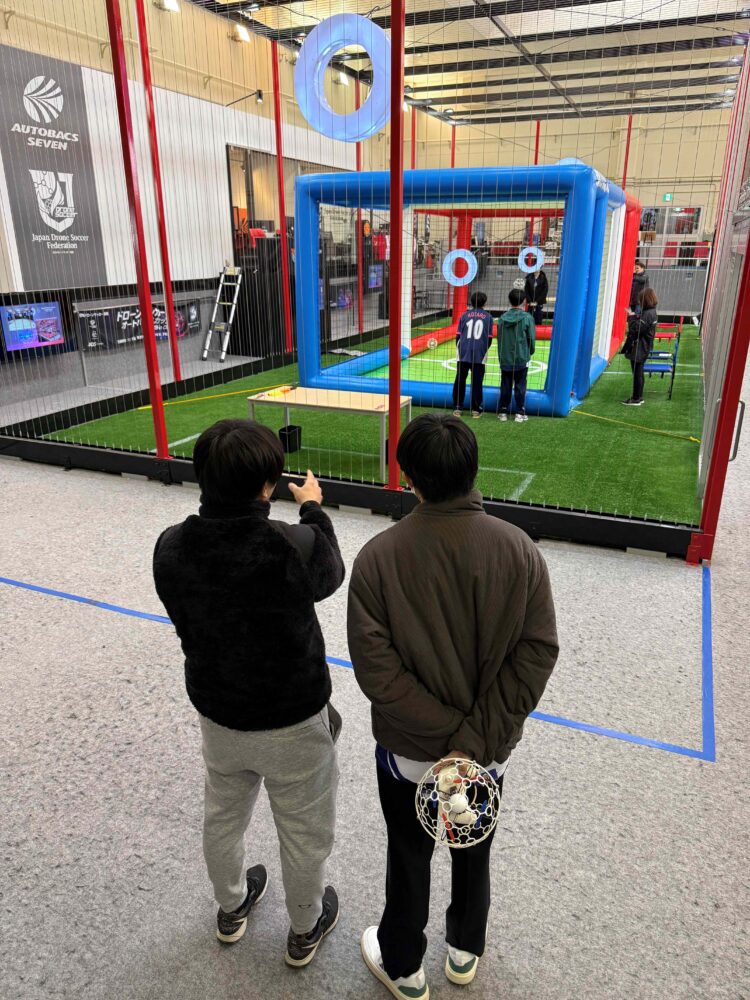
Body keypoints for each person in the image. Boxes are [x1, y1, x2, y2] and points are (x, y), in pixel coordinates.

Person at [347, 414, 558, 999]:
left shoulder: (377, 558)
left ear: (407, 476)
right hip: (486, 755)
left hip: (410, 755)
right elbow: (538, 652)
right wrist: (471, 741)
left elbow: (378, 673)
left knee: (408, 855)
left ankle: (404, 968)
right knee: (474, 849)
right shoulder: (520, 551)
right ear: (474, 470)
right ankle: (464, 951)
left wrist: (447, 737)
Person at [152, 419, 345, 966]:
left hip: (219, 715)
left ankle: (231, 906)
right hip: (294, 721)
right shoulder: (294, 543)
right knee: (304, 832)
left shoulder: (169, 547)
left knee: (223, 817)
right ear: (267, 486)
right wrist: (313, 507)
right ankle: (304, 927)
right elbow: (332, 571)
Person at [452, 290, 494, 419]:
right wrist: (483, 350)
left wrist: (461, 349)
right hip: (479, 354)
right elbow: (489, 338)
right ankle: (475, 409)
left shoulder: (464, 315)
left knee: (460, 379)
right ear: (484, 303)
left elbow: (458, 336)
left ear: (471, 302)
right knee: (477, 381)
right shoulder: (488, 317)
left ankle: (458, 407)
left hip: (463, 352)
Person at [496, 287, 536, 422]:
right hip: (521, 357)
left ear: (509, 300)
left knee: (505, 385)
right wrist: (529, 352)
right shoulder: (527, 318)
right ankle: (519, 412)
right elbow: (531, 338)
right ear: (524, 301)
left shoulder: (502, 319)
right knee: (520, 385)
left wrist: (502, 356)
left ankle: (503, 411)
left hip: (505, 358)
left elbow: (499, 339)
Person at [622, 287, 658, 406]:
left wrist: (631, 316)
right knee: (638, 372)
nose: (639, 302)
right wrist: (636, 316)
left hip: (641, 346)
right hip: (644, 346)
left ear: (645, 300)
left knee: (637, 372)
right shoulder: (651, 312)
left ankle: (636, 398)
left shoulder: (648, 314)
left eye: (640, 299)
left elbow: (636, 329)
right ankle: (638, 397)